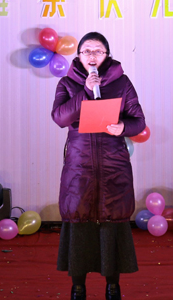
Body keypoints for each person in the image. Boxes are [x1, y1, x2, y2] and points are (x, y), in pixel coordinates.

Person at [51, 32, 146, 300]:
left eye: (98, 51)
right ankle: (78, 287)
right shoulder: (67, 83)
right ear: (79, 56)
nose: (92, 55)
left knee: (111, 223)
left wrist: (123, 127)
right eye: (87, 51)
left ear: (107, 55)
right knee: (79, 222)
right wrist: (84, 90)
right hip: (79, 166)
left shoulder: (122, 83)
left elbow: (139, 121)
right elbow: (59, 117)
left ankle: (113, 286)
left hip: (113, 164)